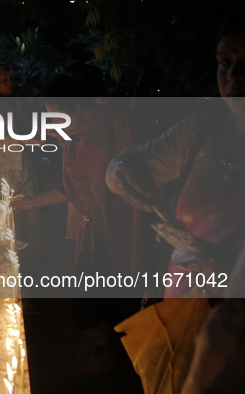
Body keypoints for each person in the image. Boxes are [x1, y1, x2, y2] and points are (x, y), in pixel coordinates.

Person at [106, 10, 245, 393]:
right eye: (224, 62)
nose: (234, 75)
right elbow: (132, 160)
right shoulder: (204, 130)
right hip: (185, 306)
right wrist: (122, 171)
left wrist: (225, 265)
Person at [10, 75, 155, 375]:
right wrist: (31, 201)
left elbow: (101, 183)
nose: (55, 123)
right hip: (98, 222)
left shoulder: (111, 127)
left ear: (76, 107)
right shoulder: (78, 130)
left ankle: (122, 356)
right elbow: (78, 185)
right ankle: (113, 338)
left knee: (124, 284)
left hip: (125, 220)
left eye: (57, 115)